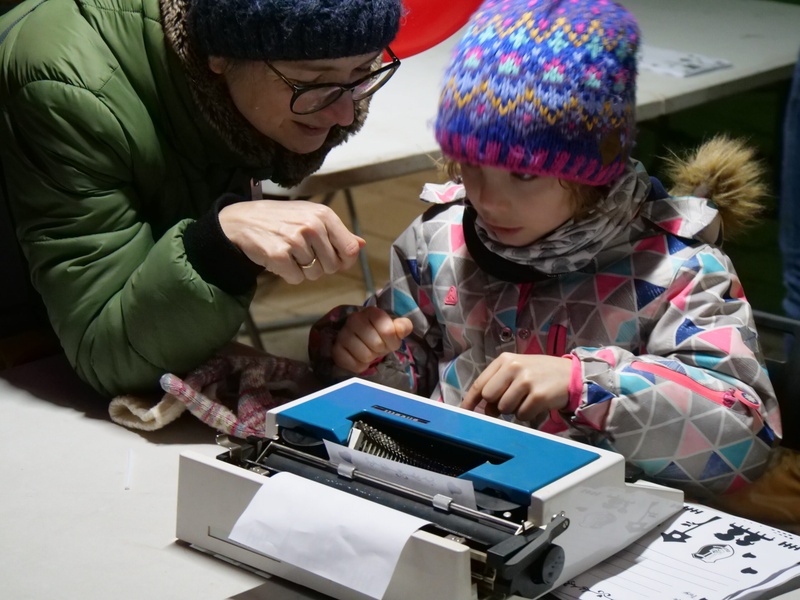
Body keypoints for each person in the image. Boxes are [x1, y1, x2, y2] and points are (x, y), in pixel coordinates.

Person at [308, 0, 782, 499]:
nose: (489, 200)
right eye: (471, 165)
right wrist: (373, 355)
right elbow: (415, 372)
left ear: (592, 170)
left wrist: (587, 386)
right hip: (452, 501)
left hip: (597, 520)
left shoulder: (678, 270)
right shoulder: (439, 240)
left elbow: (744, 442)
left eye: (523, 174)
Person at [0, 0, 402, 395]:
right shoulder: (71, 88)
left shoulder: (229, 91)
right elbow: (104, 352)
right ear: (220, 54)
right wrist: (216, 245)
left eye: (362, 71)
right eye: (312, 83)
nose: (346, 115)